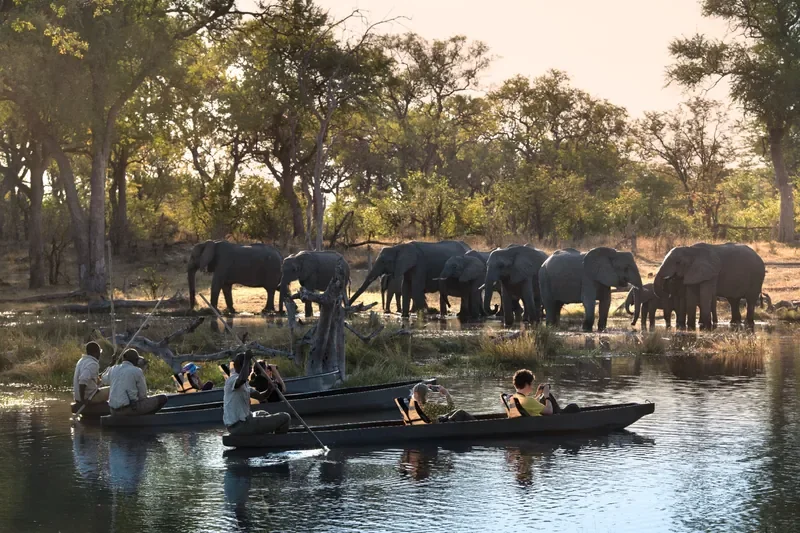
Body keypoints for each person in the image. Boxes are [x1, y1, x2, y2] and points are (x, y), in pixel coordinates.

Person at [224, 350, 291, 436]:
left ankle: (264, 437)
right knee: (285, 417)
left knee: (263, 413)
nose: (250, 369)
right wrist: (247, 360)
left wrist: (269, 389)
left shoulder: (245, 383)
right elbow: (242, 379)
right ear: (242, 365)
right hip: (239, 426)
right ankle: (277, 441)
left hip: (244, 421)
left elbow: (260, 397)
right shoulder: (232, 380)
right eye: (249, 367)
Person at [107, 349, 168, 416]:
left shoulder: (113, 369)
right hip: (129, 410)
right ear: (136, 360)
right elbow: (143, 396)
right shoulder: (137, 371)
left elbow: (104, 379)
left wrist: (111, 364)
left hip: (113, 411)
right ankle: (145, 419)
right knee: (163, 398)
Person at [409, 382, 475, 423]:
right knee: (461, 412)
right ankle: (478, 424)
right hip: (440, 427)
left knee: (453, 412)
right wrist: (446, 394)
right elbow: (451, 407)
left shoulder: (415, 406)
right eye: (427, 393)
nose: (428, 395)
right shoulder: (429, 406)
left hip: (432, 423)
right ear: (425, 394)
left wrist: (424, 387)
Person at [73, 342, 110, 407]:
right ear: (96, 353)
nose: (99, 355)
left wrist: (111, 364)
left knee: (100, 386)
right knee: (112, 389)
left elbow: (96, 377)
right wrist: (83, 400)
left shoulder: (82, 361)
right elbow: (82, 381)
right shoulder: (93, 364)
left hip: (78, 398)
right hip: (88, 398)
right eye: (99, 353)